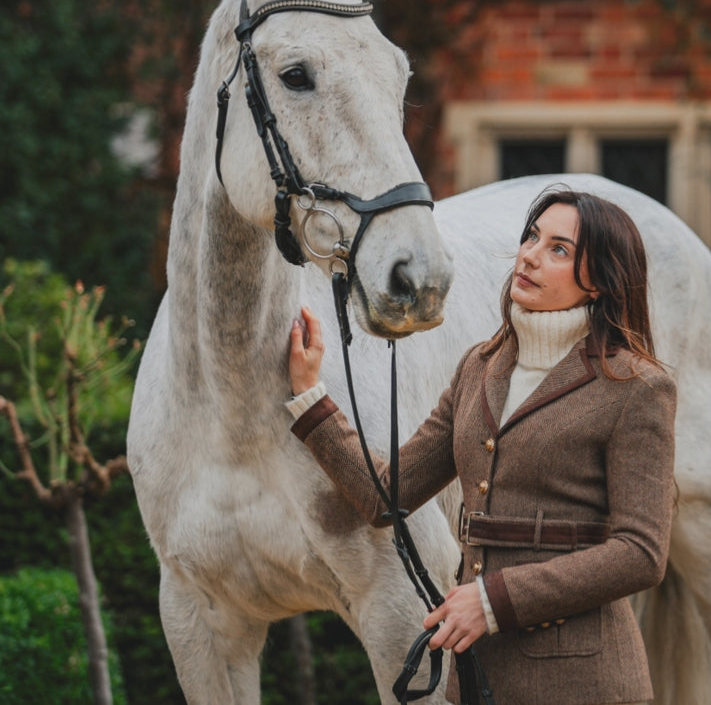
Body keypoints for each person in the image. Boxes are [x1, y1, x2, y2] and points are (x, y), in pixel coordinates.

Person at [286, 187, 677, 705]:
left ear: (601, 283)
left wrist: (492, 601)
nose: (531, 255)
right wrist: (312, 397)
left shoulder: (637, 388)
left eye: (559, 249)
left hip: (587, 685)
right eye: (532, 237)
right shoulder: (479, 367)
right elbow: (386, 497)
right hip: (477, 683)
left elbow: (640, 554)